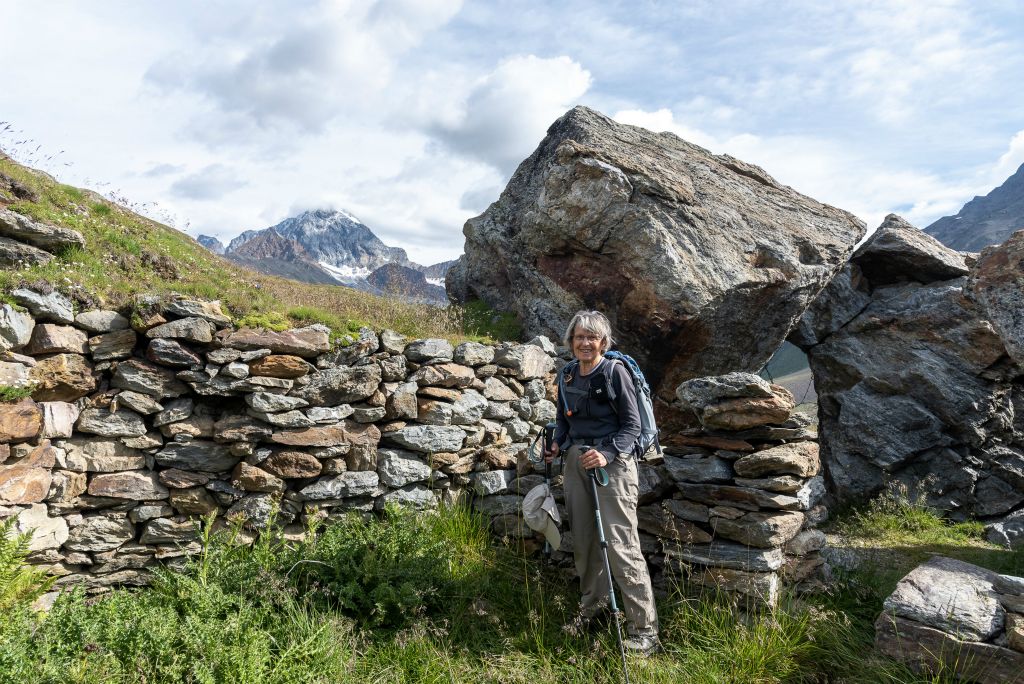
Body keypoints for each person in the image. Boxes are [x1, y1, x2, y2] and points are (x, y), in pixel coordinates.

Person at [544, 310, 660, 655]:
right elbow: (563, 422)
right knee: (585, 541)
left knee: (621, 544)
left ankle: (644, 630)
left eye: (592, 337)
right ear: (571, 340)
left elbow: (632, 426)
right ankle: (592, 610)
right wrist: (556, 444)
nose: (584, 343)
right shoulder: (566, 375)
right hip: (577, 463)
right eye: (579, 336)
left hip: (614, 467)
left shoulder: (615, 372)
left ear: (603, 342)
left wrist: (607, 454)